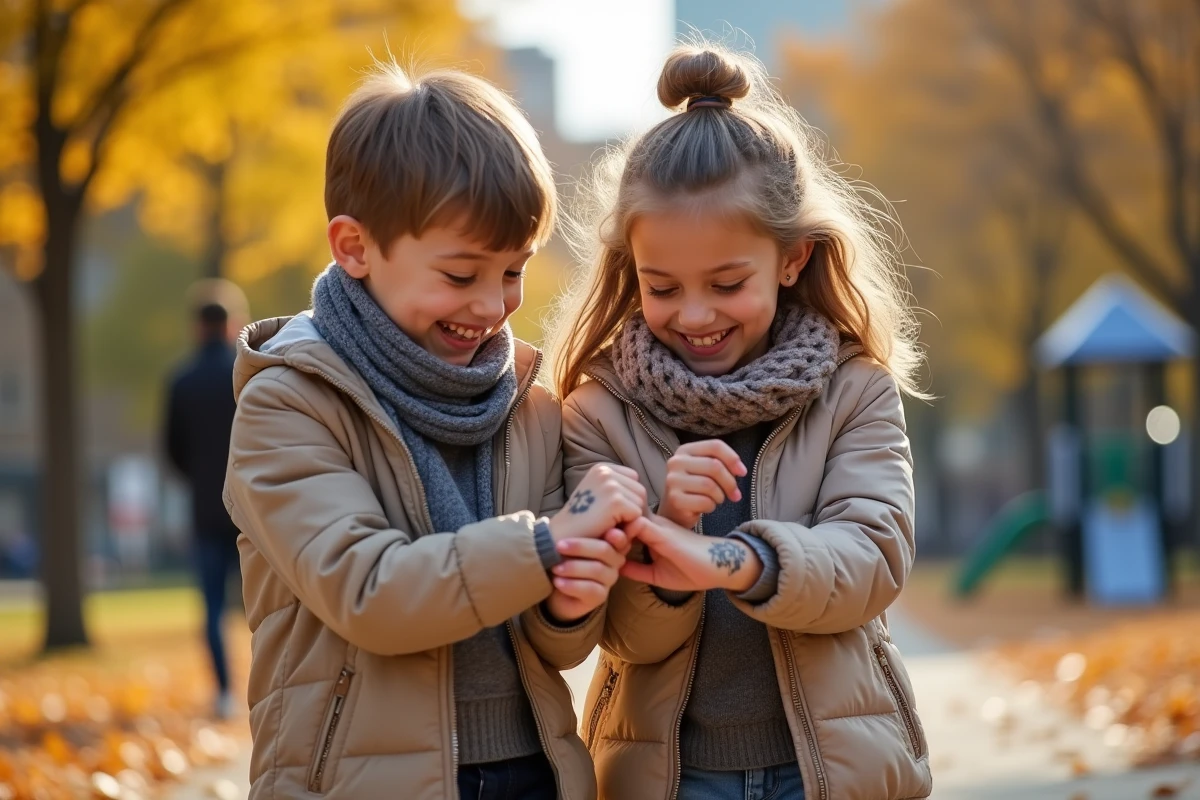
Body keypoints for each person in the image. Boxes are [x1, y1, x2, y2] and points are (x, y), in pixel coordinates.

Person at [222, 61, 637, 800]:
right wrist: (548, 543)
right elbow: (370, 593)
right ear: (355, 248)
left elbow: (560, 645)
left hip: (532, 773)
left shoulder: (530, 406)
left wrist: (571, 598)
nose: (493, 306)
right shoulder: (288, 403)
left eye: (513, 271)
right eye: (460, 275)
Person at [550, 43, 934, 800]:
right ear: (632, 269)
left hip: (831, 773)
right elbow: (621, 635)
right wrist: (668, 523)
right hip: (670, 779)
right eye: (663, 287)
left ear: (792, 259)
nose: (695, 315)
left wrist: (733, 560)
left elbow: (872, 560)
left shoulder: (854, 390)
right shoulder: (597, 412)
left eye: (727, 284)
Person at [164, 279, 248, 721]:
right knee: (267, 604)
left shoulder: (182, 381)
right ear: (233, 324)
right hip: (252, 509)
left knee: (212, 608)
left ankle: (224, 692)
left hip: (205, 509)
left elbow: (172, 451)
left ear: (197, 327)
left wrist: (200, 478)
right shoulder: (248, 375)